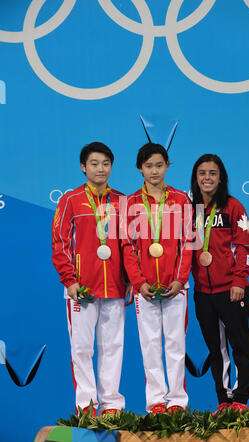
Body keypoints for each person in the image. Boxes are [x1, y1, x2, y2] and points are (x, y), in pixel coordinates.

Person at [52, 141, 132, 417]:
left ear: (112, 167)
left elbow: (129, 245)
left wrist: (130, 280)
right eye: (94, 163)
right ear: (83, 167)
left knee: (113, 347)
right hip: (81, 288)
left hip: (115, 287)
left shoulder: (122, 201)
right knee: (82, 349)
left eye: (106, 163)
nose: (100, 168)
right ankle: (86, 405)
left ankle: (111, 405)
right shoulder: (70, 200)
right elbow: (60, 242)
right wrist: (69, 280)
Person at [122, 142, 193, 415]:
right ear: (140, 168)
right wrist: (138, 282)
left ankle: (177, 401)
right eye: (149, 166)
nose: (154, 171)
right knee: (150, 344)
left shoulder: (182, 200)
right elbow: (127, 247)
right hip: (145, 287)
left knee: (176, 343)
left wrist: (180, 279)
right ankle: (156, 403)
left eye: (159, 165)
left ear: (168, 166)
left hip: (177, 286)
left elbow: (189, 242)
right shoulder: (128, 203)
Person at [190, 154, 249, 413]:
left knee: (239, 344)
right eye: (202, 172)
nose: (207, 177)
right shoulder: (191, 209)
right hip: (203, 293)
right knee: (216, 350)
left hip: (231, 288)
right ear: (196, 177)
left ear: (221, 177)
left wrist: (239, 280)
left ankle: (240, 398)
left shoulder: (233, 206)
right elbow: (187, 249)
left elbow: (244, 247)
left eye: (212, 173)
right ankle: (224, 400)